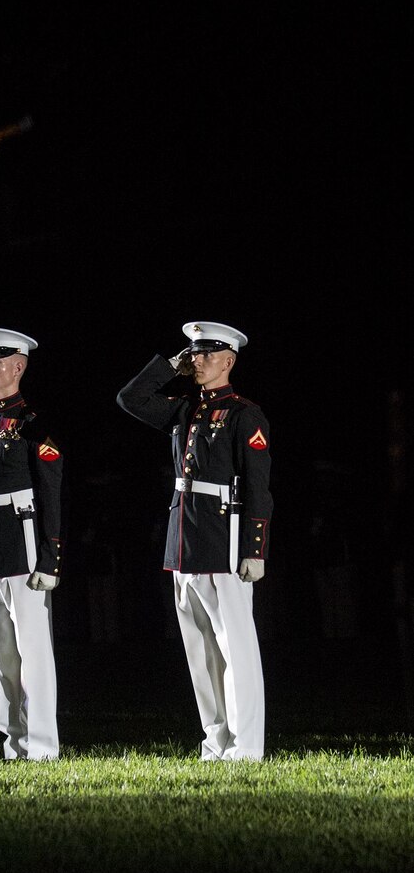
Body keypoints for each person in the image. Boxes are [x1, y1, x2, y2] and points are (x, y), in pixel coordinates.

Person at [116, 321, 272, 761]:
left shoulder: (245, 414)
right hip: (184, 539)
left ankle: (246, 747)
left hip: (224, 541)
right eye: (194, 353)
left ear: (229, 360)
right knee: (201, 654)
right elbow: (131, 399)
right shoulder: (186, 410)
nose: (197, 360)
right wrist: (168, 366)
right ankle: (215, 741)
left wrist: (254, 549)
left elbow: (259, 488)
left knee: (235, 649)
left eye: (206, 354)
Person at [0, 327, 65, 761]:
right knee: (2, 657)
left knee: (33, 654)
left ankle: (42, 746)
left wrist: (50, 557)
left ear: (19, 366)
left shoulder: (33, 422)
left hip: (23, 545)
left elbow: (50, 492)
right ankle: (14, 743)